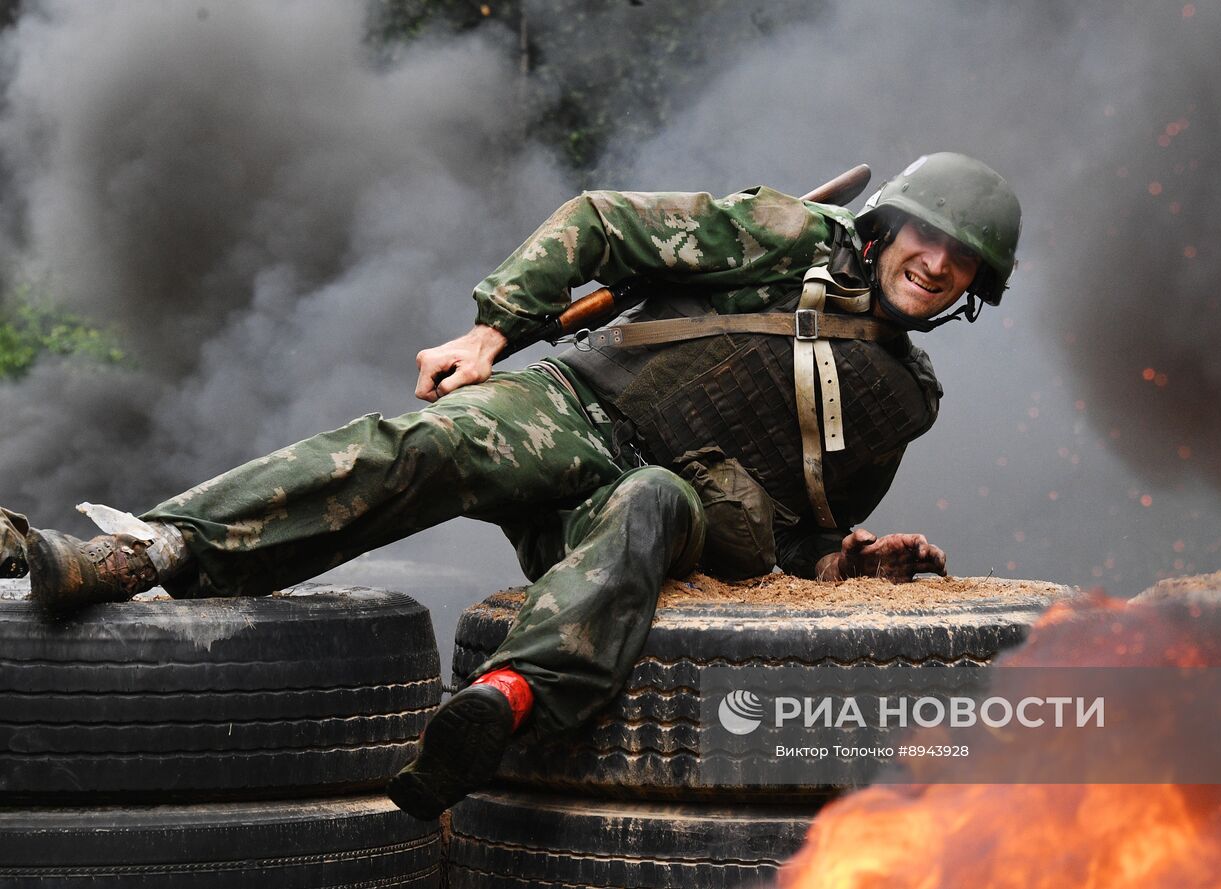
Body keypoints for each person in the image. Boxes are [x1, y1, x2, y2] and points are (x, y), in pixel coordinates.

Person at [1, 152, 1021, 819]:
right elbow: (603, 224)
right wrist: (494, 325)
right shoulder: (785, 239)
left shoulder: (905, 399)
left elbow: (797, 528)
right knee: (421, 445)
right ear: (884, 226)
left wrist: (849, 558)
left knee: (649, 505)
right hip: (573, 412)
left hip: (674, 507)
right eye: (923, 235)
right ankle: (143, 552)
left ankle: (498, 704)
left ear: (976, 286)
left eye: (961, 258)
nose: (933, 262)